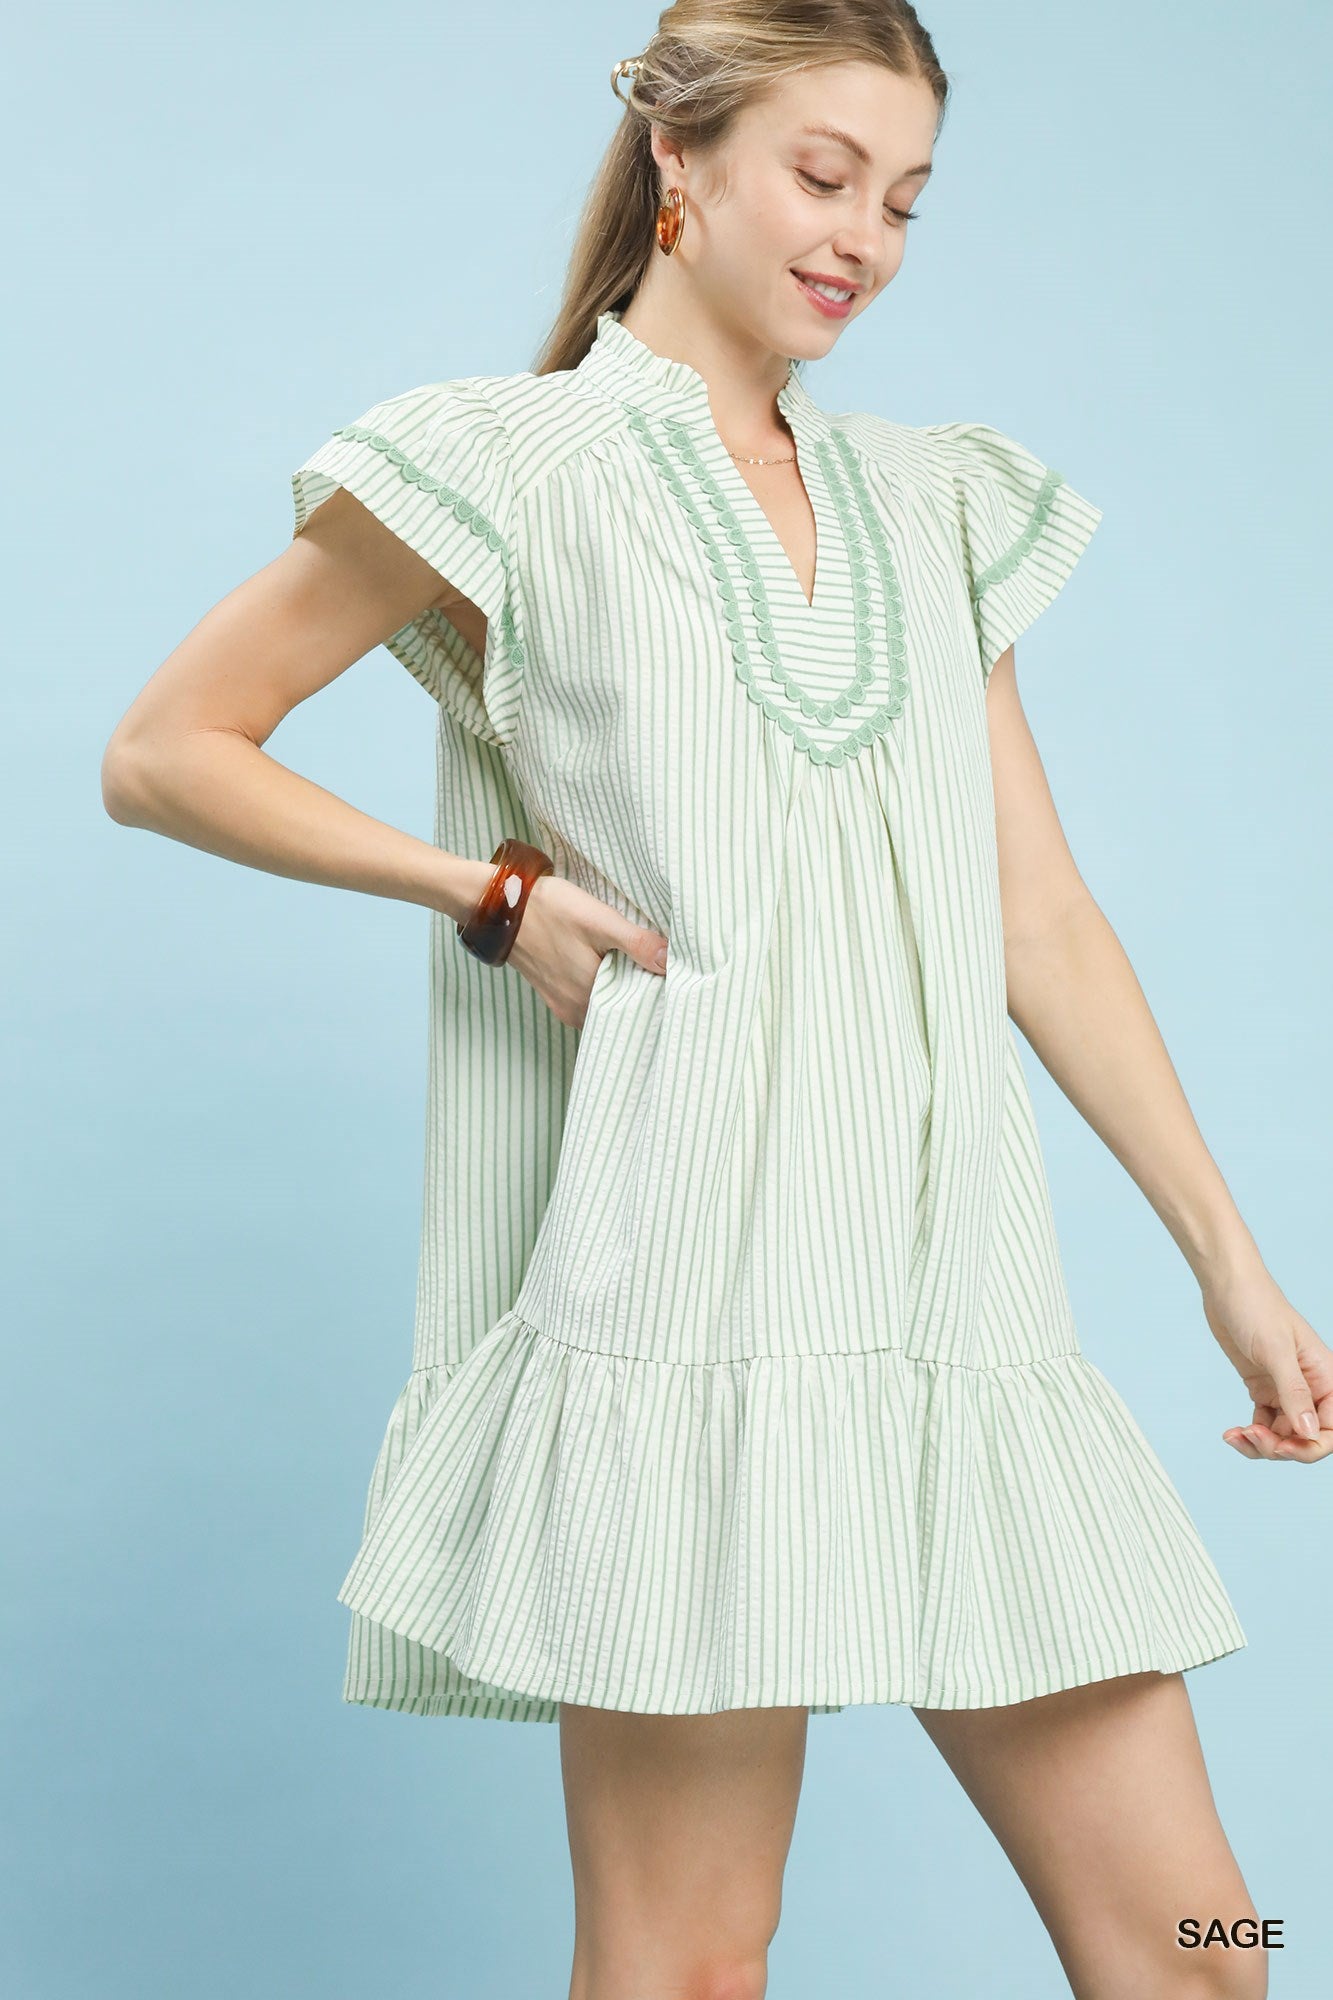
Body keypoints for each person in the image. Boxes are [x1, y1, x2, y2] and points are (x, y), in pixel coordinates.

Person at [101, 4, 1327, 1997]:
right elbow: (166, 750)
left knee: (1208, 1942)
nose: (866, 236)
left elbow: (1042, 916)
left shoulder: (936, 503)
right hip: (690, 1324)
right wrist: (494, 893)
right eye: (823, 176)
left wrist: (1230, 1260)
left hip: (963, 1318)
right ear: (682, 167)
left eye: (907, 200)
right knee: (685, 1966)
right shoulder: (505, 461)